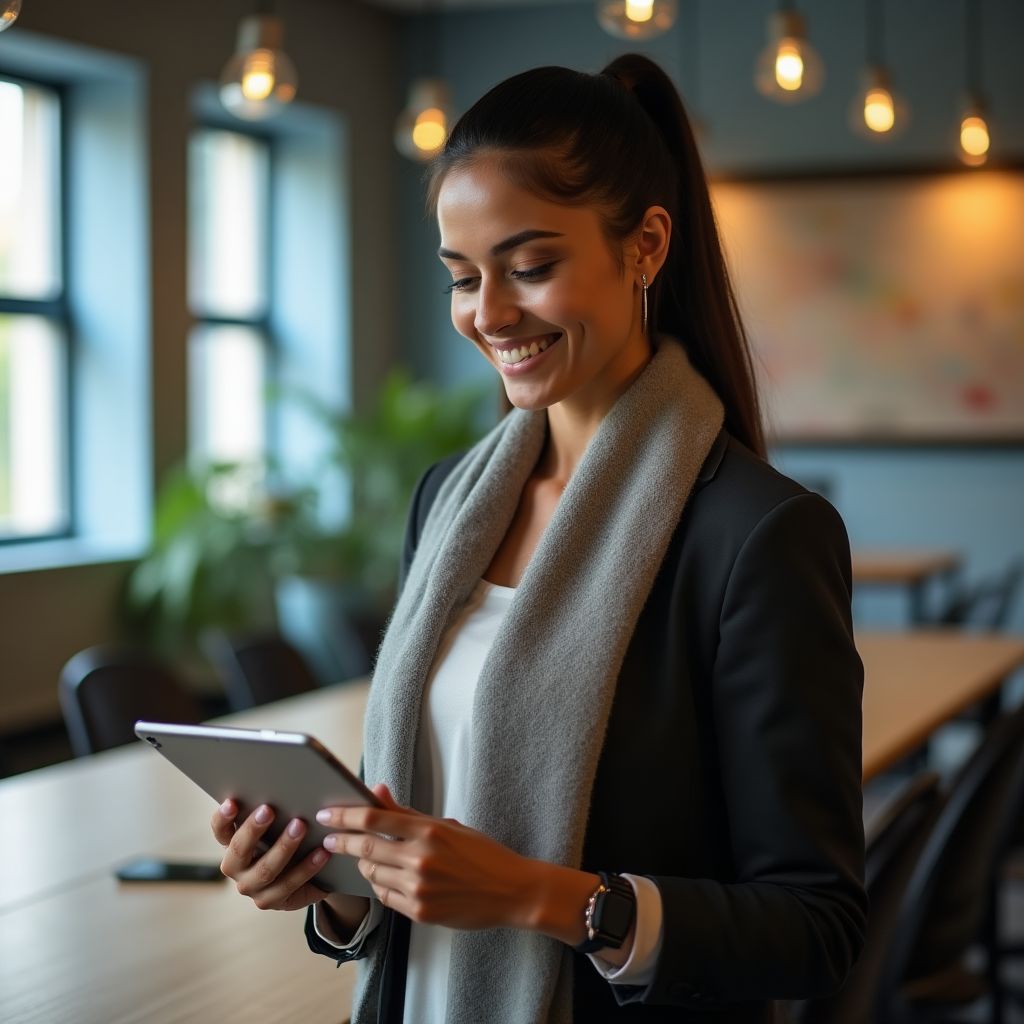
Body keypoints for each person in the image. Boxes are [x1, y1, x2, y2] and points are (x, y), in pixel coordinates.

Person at [211, 53, 866, 1023]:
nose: (488, 314)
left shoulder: (757, 535)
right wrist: (336, 888)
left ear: (644, 246)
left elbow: (818, 931)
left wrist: (539, 894)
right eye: (463, 277)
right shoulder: (448, 503)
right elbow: (427, 867)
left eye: (530, 267)